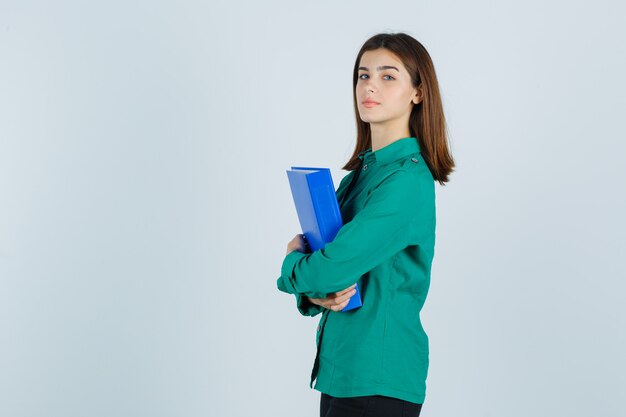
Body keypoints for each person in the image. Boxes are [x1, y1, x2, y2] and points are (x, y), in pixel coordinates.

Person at [277, 32, 455, 417]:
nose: (369, 85)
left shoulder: (406, 183)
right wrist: (314, 295)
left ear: (418, 93)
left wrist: (291, 264)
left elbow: (330, 265)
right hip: (344, 370)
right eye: (363, 75)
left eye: (388, 76)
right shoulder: (360, 175)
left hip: (379, 379)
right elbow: (331, 274)